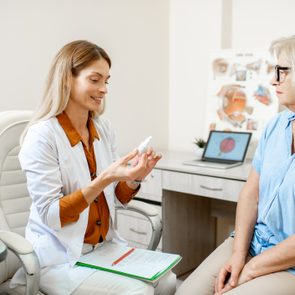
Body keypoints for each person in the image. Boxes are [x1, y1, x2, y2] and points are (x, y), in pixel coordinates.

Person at [10, 40, 176, 295]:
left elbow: (117, 200)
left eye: (106, 81)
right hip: (61, 257)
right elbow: (53, 215)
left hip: (103, 248)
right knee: (138, 292)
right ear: (67, 78)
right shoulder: (42, 136)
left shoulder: (103, 128)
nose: (104, 89)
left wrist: (133, 179)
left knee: (168, 281)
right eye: (95, 79)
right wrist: (106, 178)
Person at [176, 35, 295, 295]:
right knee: (186, 292)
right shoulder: (276, 126)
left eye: (283, 71)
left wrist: (251, 270)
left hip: (290, 263)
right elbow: (251, 194)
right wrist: (240, 255)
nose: (274, 80)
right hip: (254, 243)